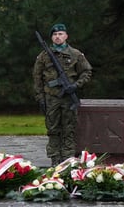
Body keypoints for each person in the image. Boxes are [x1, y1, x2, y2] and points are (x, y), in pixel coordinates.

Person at [33, 23, 92, 166]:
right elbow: (37, 78)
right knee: (53, 130)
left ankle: (68, 161)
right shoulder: (44, 56)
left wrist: (75, 86)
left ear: (66, 36)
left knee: (69, 130)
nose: (57, 37)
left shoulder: (76, 54)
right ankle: (55, 161)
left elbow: (87, 72)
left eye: (60, 34)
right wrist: (40, 98)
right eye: (54, 34)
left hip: (68, 99)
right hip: (51, 98)